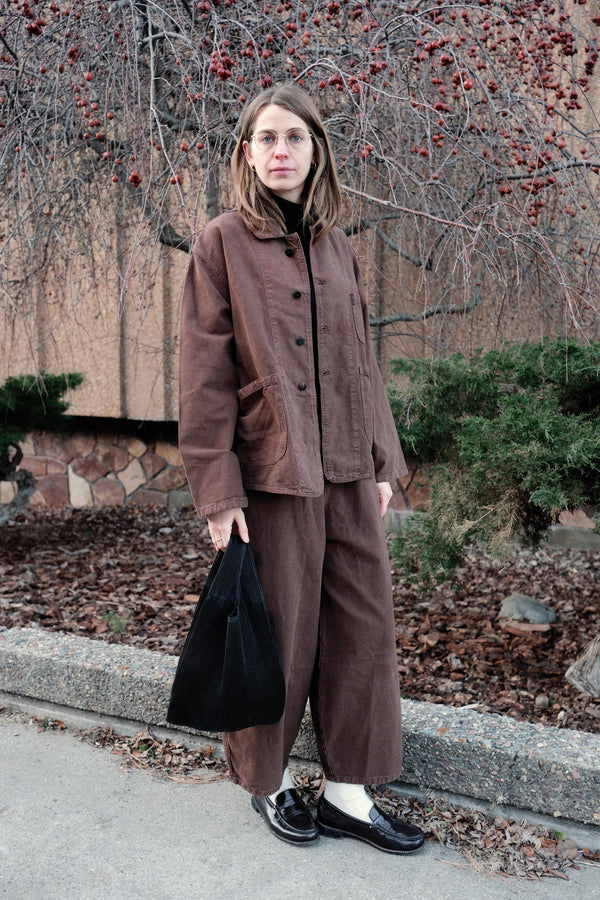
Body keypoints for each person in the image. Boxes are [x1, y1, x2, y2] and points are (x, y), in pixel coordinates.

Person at [178, 83, 424, 855]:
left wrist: (383, 458)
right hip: (271, 472)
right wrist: (218, 491)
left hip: (350, 466)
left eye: (294, 137)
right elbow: (204, 377)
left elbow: (359, 356)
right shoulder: (220, 243)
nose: (280, 150)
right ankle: (270, 784)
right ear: (247, 154)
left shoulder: (337, 243)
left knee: (361, 627)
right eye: (266, 138)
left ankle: (348, 793)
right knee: (278, 633)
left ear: (316, 150)